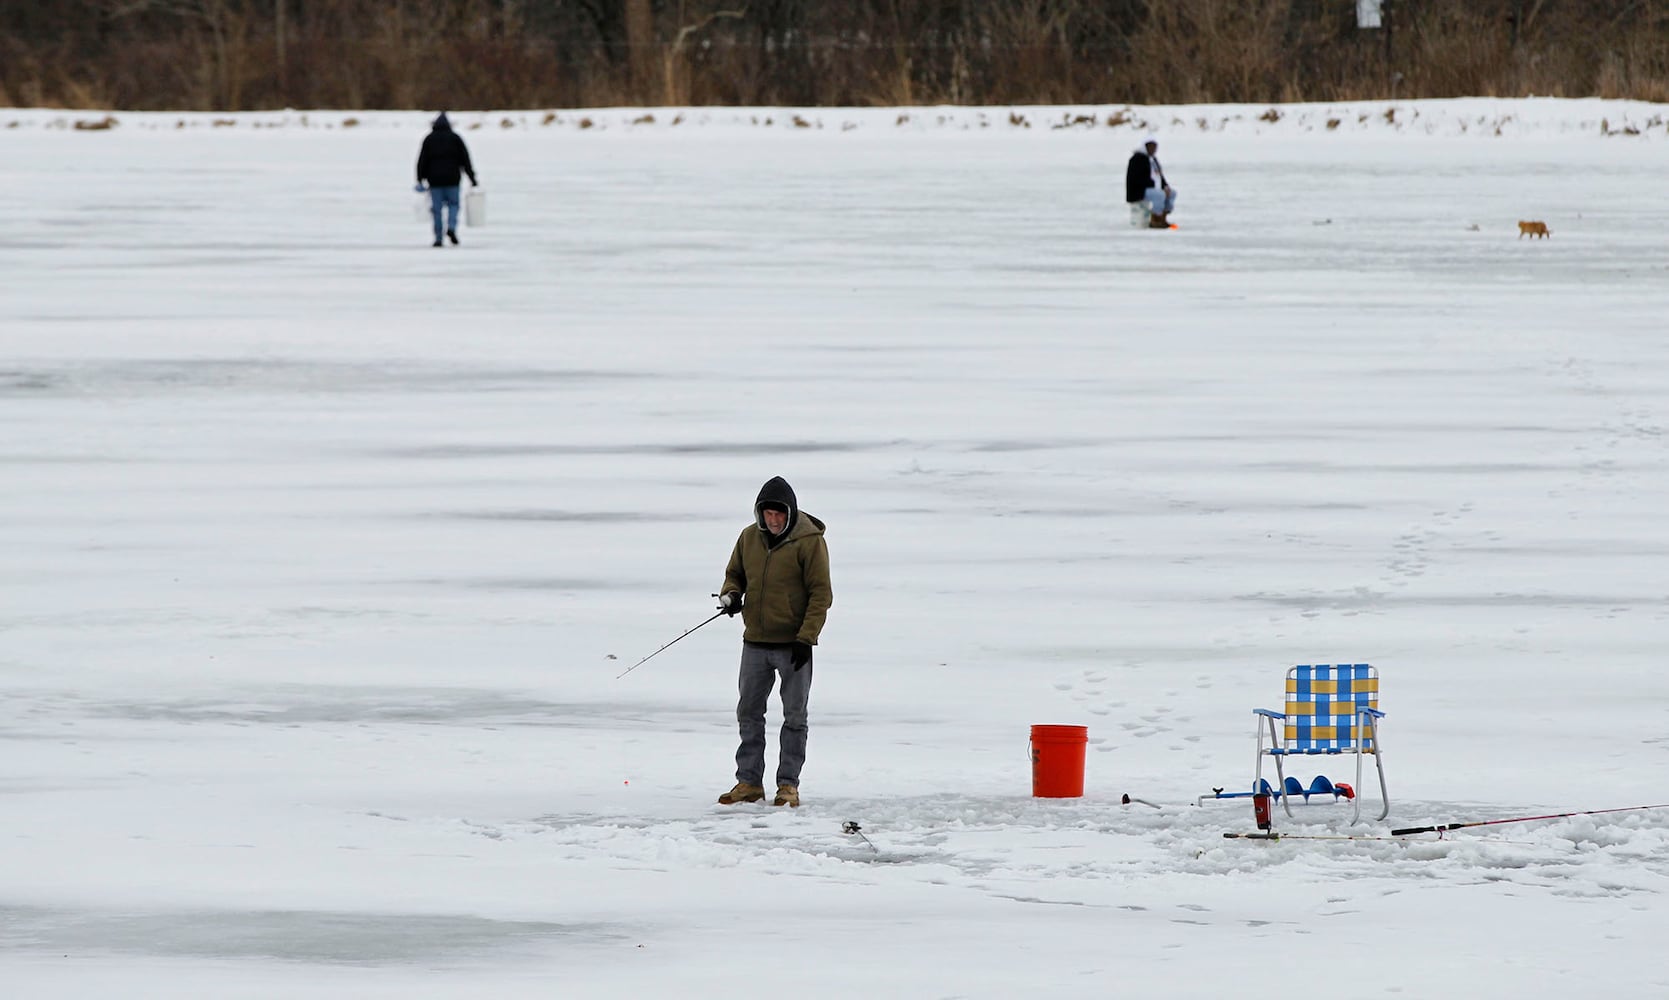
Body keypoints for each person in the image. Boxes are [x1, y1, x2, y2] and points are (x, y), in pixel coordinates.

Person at [714, 476, 832, 808]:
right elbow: (734, 574)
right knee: (749, 712)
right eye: (768, 513)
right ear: (760, 513)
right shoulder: (748, 538)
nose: (774, 519)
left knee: (795, 717)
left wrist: (806, 638)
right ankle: (749, 782)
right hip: (755, 643)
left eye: (779, 513)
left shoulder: (810, 542)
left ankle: (788, 786)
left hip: (794, 646)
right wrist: (732, 597)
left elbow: (820, 594)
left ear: (790, 512)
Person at [415, 112, 478, 248]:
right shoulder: (455, 139)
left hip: (435, 181)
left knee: (437, 210)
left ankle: (438, 237)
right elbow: (465, 160)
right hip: (453, 180)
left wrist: (419, 179)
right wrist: (472, 178)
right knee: (454, 205)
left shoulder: (429, 139)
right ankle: (451, 227)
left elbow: (422, 161)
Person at [1125, 136, 1176, 229]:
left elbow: (1159, 176)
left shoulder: (1153, 159)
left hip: (1154, 188)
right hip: (1139, 191)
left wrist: (1165, 187)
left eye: (1155, 147)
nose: (1154, 149)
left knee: (1172, 193)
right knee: (1160, 195)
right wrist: (1156, 186)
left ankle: (1163, 218)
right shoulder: (1137, 159)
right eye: (1151, 147)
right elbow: (1137, 179)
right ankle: (1155, 220)